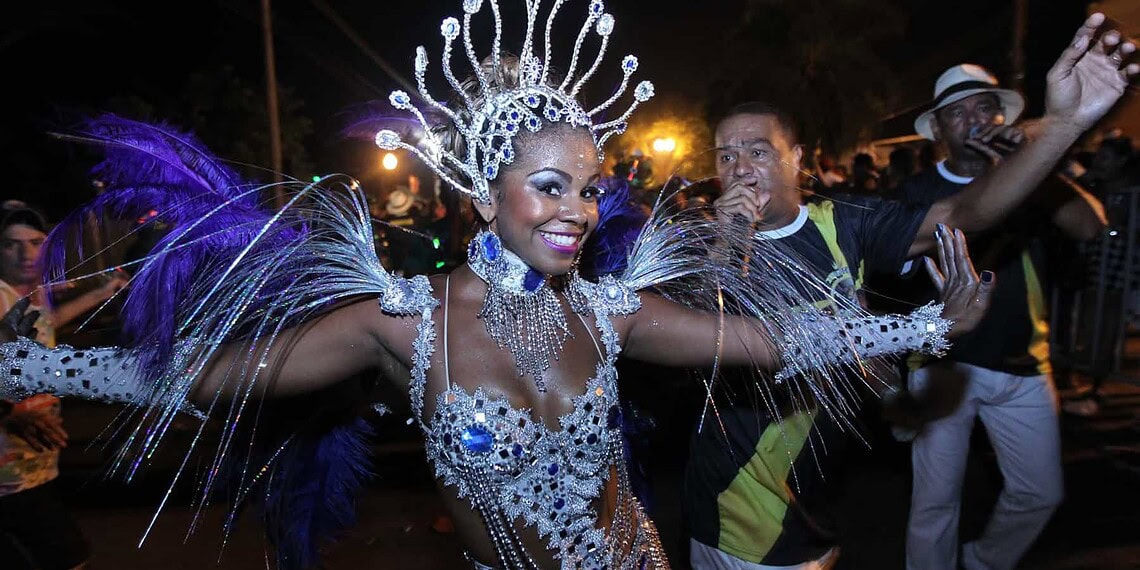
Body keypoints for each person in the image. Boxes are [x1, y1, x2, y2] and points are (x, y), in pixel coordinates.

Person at [0, 3, 993, 570]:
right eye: (550, 186)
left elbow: (771, 343)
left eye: (590, 188)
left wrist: (923, 328)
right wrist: (33, 366)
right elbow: (210, 376)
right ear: (485, 196)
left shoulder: (611, 310)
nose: (579, 210)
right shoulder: (405, 323)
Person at [690, 13, 1135, 570]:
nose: (739, 168)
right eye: (725, 155)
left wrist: (1066, 124)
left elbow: (961, 217)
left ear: (798, 158)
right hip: (736, 507)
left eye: (757, 151)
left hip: (813, 494)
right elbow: (704, 339)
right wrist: (731, 240)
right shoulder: (702, 240)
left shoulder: (848, 222)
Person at [897, 60, 1112, 569]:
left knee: (1040, 492)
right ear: (938, 129)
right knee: (934, 505)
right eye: (957, 112)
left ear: (1003, 118)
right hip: (943, 363)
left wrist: (1031, 166)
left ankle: (983, 561)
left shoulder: (1034, 185)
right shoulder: (915, 194)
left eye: (985, 107)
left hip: (1022, 363)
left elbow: (1090, 227)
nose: (974, 120)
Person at [0, 201, 126, 570]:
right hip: (8, 474)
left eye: (35, 243)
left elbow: (46, 324)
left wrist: (101, 293)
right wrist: (10, 414)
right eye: (10, 244)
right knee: (69, 558)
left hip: (27, 466)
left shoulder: (26, 295)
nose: (26, 254)